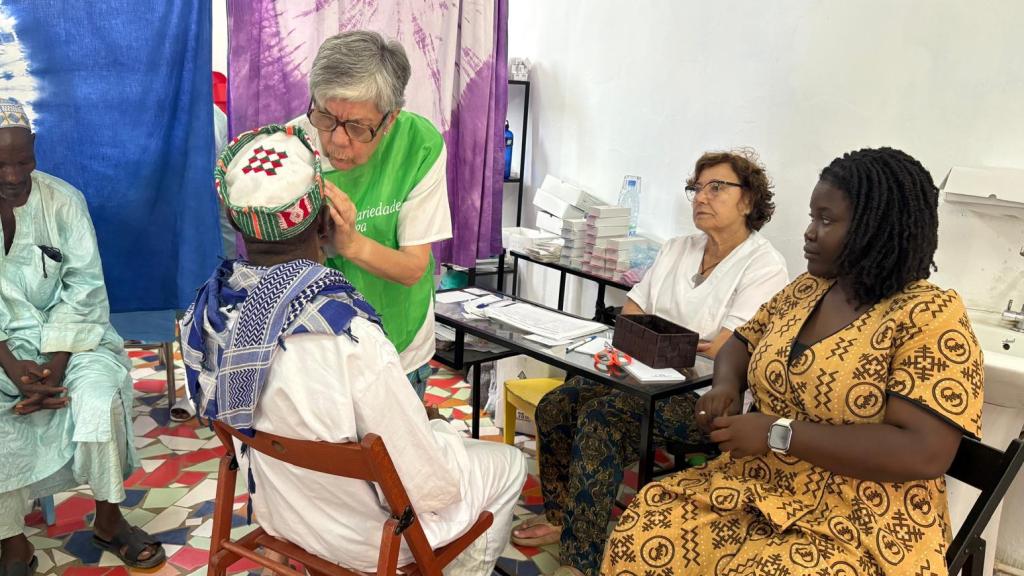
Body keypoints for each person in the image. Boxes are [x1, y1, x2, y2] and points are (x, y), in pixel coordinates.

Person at [602, 147, 983, 576]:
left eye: (826, 220)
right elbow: (741, 343)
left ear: (876, 228)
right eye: (812, 217)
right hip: (760, 484)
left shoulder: (929, 316)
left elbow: (924, 452)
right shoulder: (807, 290)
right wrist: (727, 386)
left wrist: (777, 433)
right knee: (647, 524)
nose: (809, 232)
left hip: (862, 515)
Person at [182, 124, 525, 574]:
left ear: (233, 218)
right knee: (509, 463)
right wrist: (442, 436)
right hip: (370, 541)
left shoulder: (207, 314)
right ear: (324, 220)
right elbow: (429, 487)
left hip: (280, 515)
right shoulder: (347, 336)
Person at [514, 150, 788, 575]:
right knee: (558, 404)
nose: (701, 197)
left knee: (602, 419)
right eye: (697, 188)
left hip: (705, 397)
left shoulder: (764, 266)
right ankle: (562, 516)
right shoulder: (679, 248)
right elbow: (632, 312)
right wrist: (670, 343)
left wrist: (659, 341)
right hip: (640, 376)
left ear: (748, 200)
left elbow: (726, 348)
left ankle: (580, 559)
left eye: (717, 188)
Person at [0, 98, 166, 573]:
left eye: (23, 161)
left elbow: (86, 290)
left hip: (75, 344)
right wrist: (12, 367)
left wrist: (54, 368)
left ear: (35, 148)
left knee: (97, 399)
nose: (13, 176)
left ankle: (109, 520)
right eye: (0, 165)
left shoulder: (64, 201)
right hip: (4, 351)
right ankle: (12, 541)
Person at [289, 30, 452, 398]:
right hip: (320, 347)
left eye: (358, 128)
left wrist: (351, 244)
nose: (337, 140)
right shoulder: (295, 143)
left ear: (390, 119)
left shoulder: (418, 145)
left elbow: (412, 268)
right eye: (326, 117)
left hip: (398, 341)